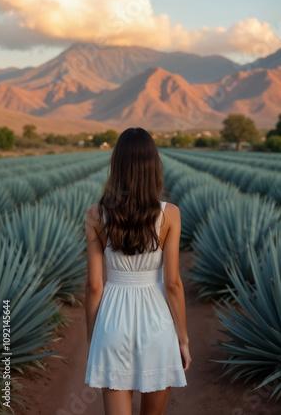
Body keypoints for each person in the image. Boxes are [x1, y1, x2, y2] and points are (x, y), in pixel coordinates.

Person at [84, 127, 191, 415]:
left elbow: (95, 286)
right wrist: (182, 338)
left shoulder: (95, 214)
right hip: (157, 324)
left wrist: (94, 338)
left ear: (116, 165)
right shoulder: (170, 214)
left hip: (111, 322)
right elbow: (173, 284)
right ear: (153, 166)